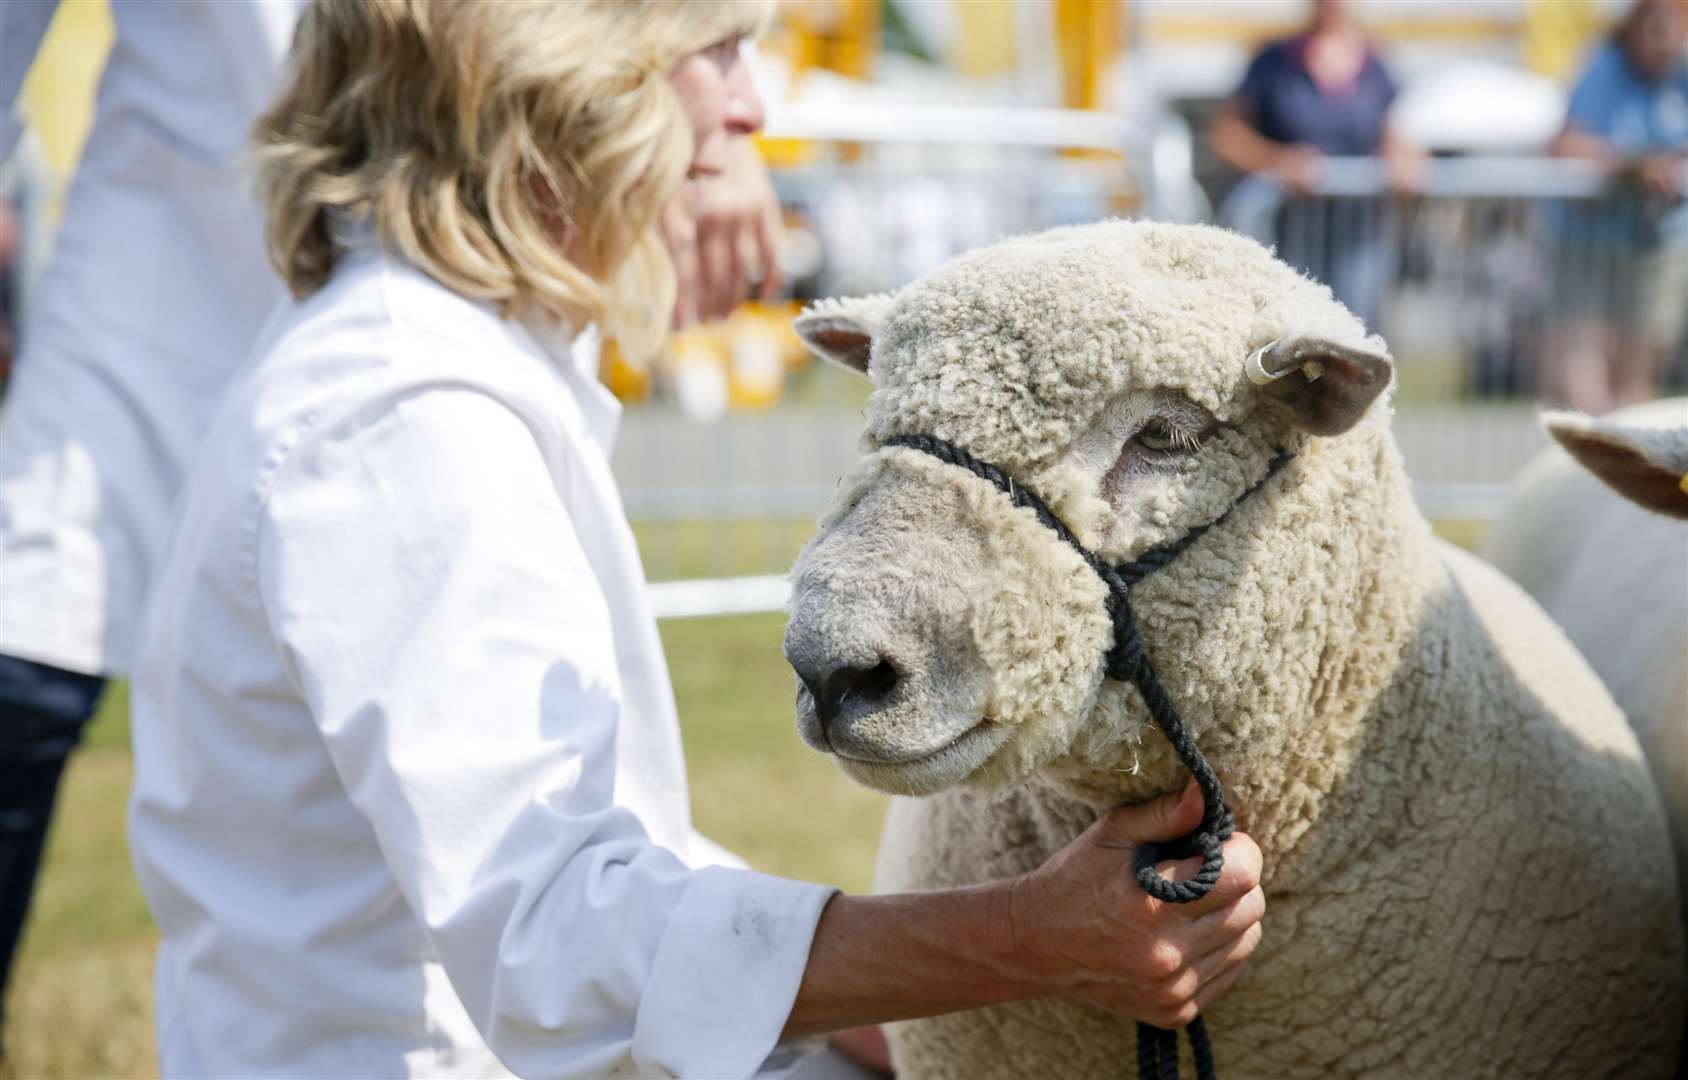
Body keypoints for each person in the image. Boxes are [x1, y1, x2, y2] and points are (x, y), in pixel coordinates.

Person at [126, 1, 1267, 1076]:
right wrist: (1026, 938)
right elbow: (557, 939)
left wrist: (883, 1007)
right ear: (557, 68)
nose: (752, 107)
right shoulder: (404, 421)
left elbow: (599, 857)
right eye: (715, 47)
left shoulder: (441, 367)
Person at [1207, 0, 1422, 329]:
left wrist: (1404, 161)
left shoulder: (1375, 64)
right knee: (1292, 330)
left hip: (1360, 235)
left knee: (1355, 333)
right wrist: (1278, 161)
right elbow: (1226, 135)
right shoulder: (1272, 62)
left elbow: (1397, 135)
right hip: (1285, 232)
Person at [1543, 0, 1688, 413]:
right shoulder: (1603, 67)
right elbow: (1565, 144)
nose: (1664, 43)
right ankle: (1598, 450)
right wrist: (1632, 166)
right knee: (1582, 369)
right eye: (1656, 30)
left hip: (1656, 244)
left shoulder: (1681, 76)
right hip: (1588, 240)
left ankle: (1621, 457)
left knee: (1638, 373)